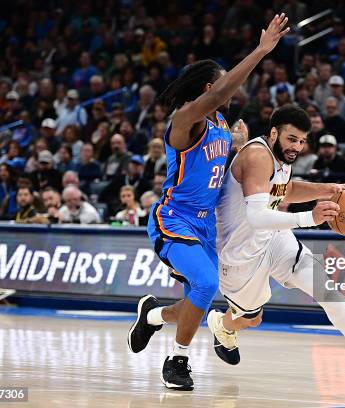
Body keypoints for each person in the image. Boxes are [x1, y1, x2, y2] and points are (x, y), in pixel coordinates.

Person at [126, 14, 290, 392]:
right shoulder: (185, 120)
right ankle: (177, 361)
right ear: (206, 88)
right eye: (221, 86)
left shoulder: (220, 125)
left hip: (206, 225)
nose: (228, 93)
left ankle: (151, 315)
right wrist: (261, 51)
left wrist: (238, 147)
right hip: (174, 218)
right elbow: (216, 96)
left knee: (196, 300)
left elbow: (221, 172)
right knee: (204, 284)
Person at [206, 104, 345, 386]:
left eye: (302, 141)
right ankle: (222, 325)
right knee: (251, 319)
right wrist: (309, 218)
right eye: (291, 139)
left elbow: (284, 190)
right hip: (241, 255)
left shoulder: (280, 157)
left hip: (274, 238)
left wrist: (332, 189)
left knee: (326, 288)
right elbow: (256, 215)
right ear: (274, 133)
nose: (297, 147)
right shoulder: (257, 156)